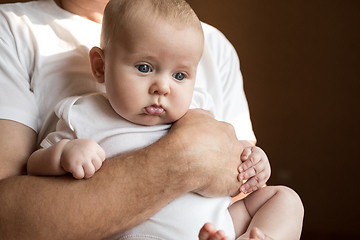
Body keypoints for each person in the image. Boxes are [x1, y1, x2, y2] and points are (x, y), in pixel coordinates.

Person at [0, 0, 303, 239]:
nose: (163, 87)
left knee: (285, 200)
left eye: (180, 75)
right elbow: (33, 165)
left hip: (214, 225)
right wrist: (64, 154)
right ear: (100, 68)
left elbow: (237, 172)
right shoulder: (82, 113)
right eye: (144, 68)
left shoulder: (200, 100)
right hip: (128, 232)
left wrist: (254, 161)